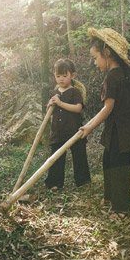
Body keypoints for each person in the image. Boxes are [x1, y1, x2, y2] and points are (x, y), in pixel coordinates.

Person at [80, 28, 130, 219]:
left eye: (96, 58)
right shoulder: (127, 72)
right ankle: (110, 198)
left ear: (107, 53)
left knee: (119, 167)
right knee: (109, 161)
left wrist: (88, 127)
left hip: (121, 131)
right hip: (125, 130)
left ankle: (121, 209)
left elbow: (107, 108)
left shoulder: (112, 77)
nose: (95, 63)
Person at [45, 59, 91, 190]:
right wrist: (50, 105)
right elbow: (50, 112)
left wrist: (60, 104)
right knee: (56, 157)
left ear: (72, 76)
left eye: (65, 76)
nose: (61, 79)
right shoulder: (54, 92)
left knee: (79, 156)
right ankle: (55, 183)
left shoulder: (75, 92)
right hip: (58, 131)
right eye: (58, 76)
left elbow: (78, 108)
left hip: (73, 130)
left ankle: (83, 181)